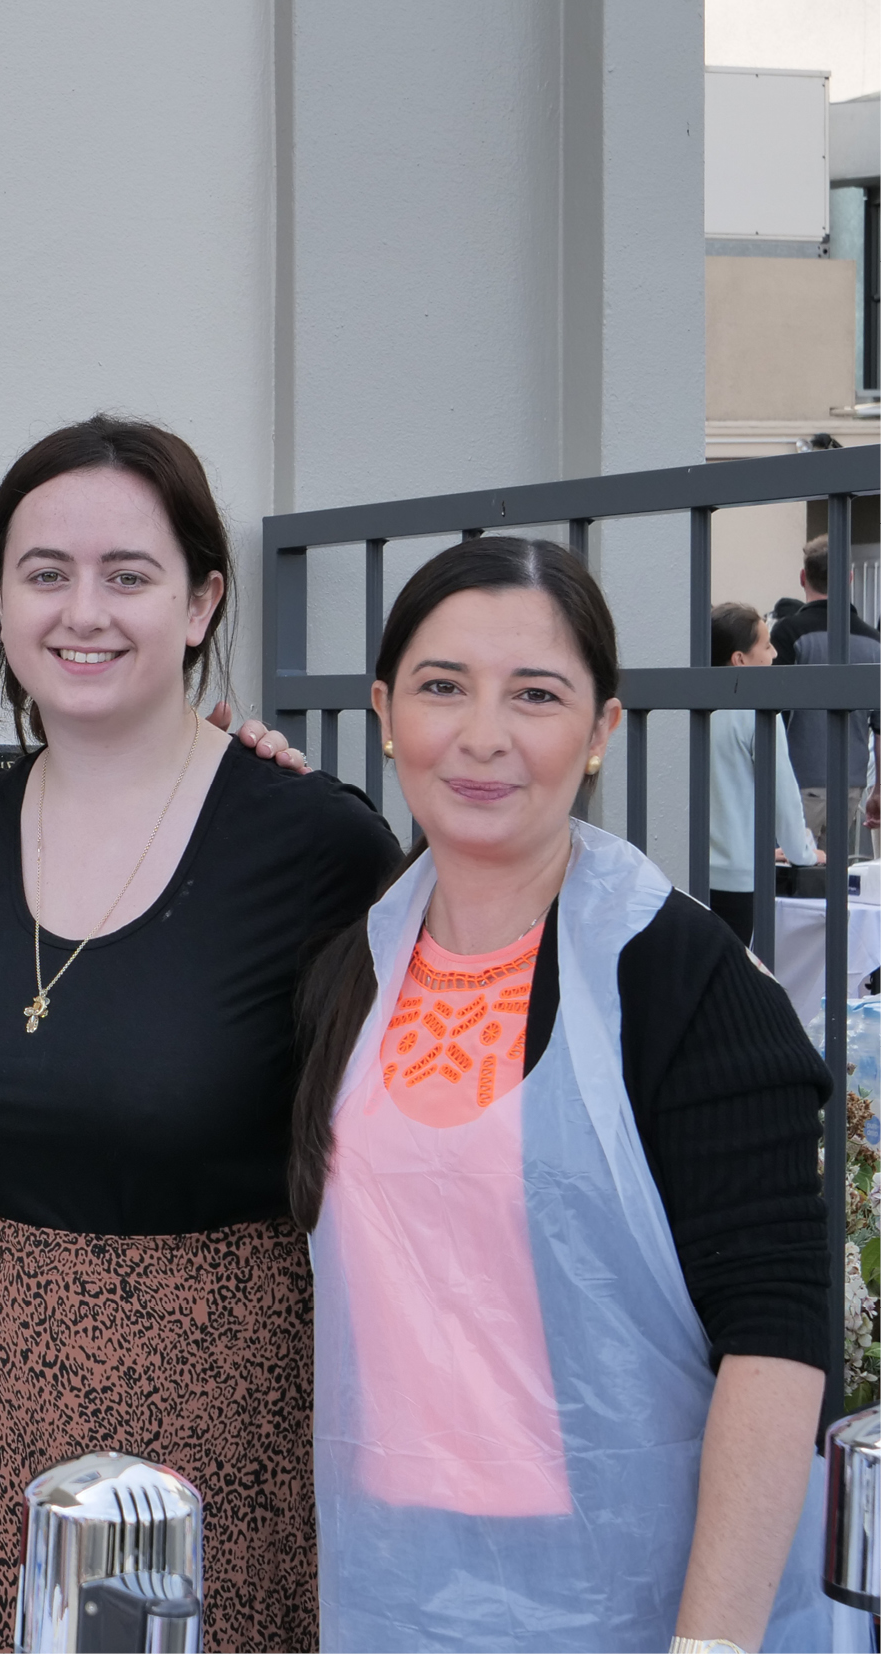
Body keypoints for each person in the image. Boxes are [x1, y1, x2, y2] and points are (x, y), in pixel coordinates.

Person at [0, 414, 399, 1653]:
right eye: (43, 573)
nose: (83, 612)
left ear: (200, 600)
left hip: (224, 1409)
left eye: (127, 575)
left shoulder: (312, 843)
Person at [291, 538, 831, 1651]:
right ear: (384, 713)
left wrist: (708, 1643)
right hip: (392, 1585)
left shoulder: (679, 976)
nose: (482, 734)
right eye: (442, 687)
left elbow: (775, 1338)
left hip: (636, 1598)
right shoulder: (353, 966)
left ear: (599, 730)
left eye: (534, 695)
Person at [707, 602, 820, 946]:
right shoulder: (757, 713)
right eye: (767, 645)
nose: (774, 654)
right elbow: (782, 799)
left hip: (684, 868)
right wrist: (803, 853)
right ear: (739, 659)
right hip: (738, 879)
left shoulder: (689, 708)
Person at [771, 535, 880, 857]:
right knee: (832, 876)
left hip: (796, 779)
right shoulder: (874, 642)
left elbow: (769, 709)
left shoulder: (789, 633)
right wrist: (877, 788)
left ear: (803, 576)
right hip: (850, 784)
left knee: (786, 872)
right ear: (850, 578)